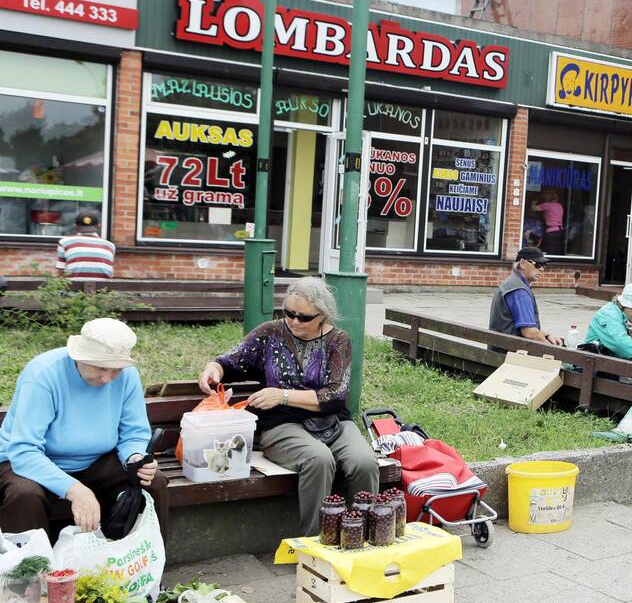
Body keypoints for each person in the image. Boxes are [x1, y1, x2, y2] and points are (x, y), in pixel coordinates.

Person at [198, 277, 379, 537]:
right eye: (289, 313)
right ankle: (317, 541)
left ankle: (362, 535)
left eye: (303, 317)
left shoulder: (338, 341)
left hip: (333, 421)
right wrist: (211, 369)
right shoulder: (270, 332)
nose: (294, 321)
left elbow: (335, 396)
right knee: (318, 459)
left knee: (364, 462)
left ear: (322, 316)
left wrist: (282, 395)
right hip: (281, 425)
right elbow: (229, 361)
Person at [0, 318, 168, 538]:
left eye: (115, 370)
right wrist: (74, 489)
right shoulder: (43, 374)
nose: (108, 378)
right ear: (79, 357)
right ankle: (28, 569)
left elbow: (134, 433)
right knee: (24, 495)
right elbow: (24, 451)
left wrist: (134, 457)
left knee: (153, 482)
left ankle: (143, 566)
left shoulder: (127, 376)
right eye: (100, 367)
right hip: (30, 462)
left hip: (95, 461)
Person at [488, 247, 563, 346]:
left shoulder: (512, 283)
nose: (541, 269)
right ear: (522, 263)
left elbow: (523, 327)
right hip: (511, 354)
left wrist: (546, 335)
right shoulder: (519, 291)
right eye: (538, 264)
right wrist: (554, 351)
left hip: (501, 349)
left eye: (544, 265)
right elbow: (529, 332)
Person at [55, 211, 115, 280]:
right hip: (102, 290)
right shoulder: (110, 246)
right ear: (98, 226)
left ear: (75, 227)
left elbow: (61, 272)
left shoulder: (64, 242)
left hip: (73, 289)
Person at [533, 190, 565, 256]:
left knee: (551, 252)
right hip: (560, 231)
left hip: (551, 232)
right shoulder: (560, 206)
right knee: (557, 251)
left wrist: (533, 202)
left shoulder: (547, 205)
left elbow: (534, 208)